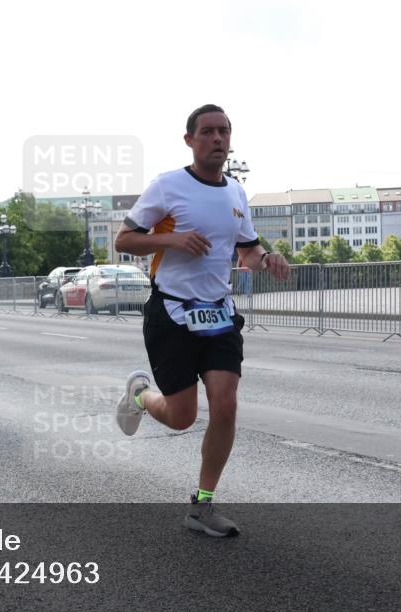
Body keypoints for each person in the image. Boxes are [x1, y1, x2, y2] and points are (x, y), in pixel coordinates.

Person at [114, 104, 291, 537]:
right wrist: (171, 238)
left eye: (224, 131)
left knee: (226, 403)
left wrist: (265, 257)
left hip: (218, 314)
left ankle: (202, 505)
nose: (217, 138)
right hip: (172, 312)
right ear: (190, 140)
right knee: (181, 417)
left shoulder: (235, 193)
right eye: (208, 131)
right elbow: (125, 239)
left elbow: (246, 250)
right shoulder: (168, 186)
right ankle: (140, 396)